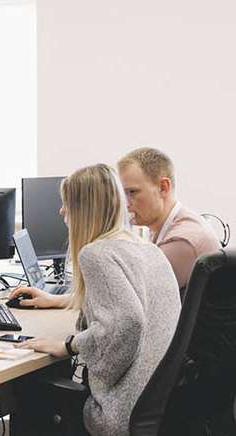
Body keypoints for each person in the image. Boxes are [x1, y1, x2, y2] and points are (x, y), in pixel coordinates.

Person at [12, 164, 181, 436]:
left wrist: (69, 346)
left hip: (121, 412)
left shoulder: (96, 254)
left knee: (27, 386)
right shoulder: (149, 249)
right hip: (160, 405)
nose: (61, 211)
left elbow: (128, 321)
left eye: (66, 203)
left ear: (83, 209)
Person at [117, 147, 220, 288]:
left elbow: (132, 293)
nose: (126, 204)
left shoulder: (182, 241)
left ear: (163, 187)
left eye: (132, 192)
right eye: (122, 194)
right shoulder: (165, 229)